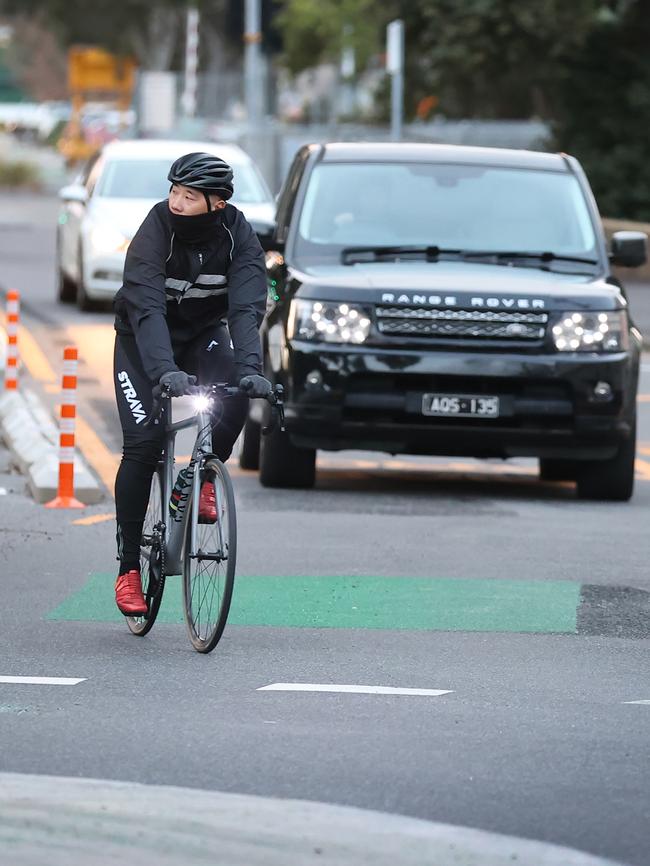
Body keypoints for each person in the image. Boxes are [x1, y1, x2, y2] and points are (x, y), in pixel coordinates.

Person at [112, 152, 271, 616]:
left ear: (217, 203)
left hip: (203, 335)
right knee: (142, 447)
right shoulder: (156, 228)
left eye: (188, 196)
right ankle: (128, 571)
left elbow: (245, 308)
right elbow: (146, 308)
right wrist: (163, 371)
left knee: (237, 394)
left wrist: (252, 368)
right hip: (143, 343)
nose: (176, 202)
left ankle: (203, 474)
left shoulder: (238, 235)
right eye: (173, 192)